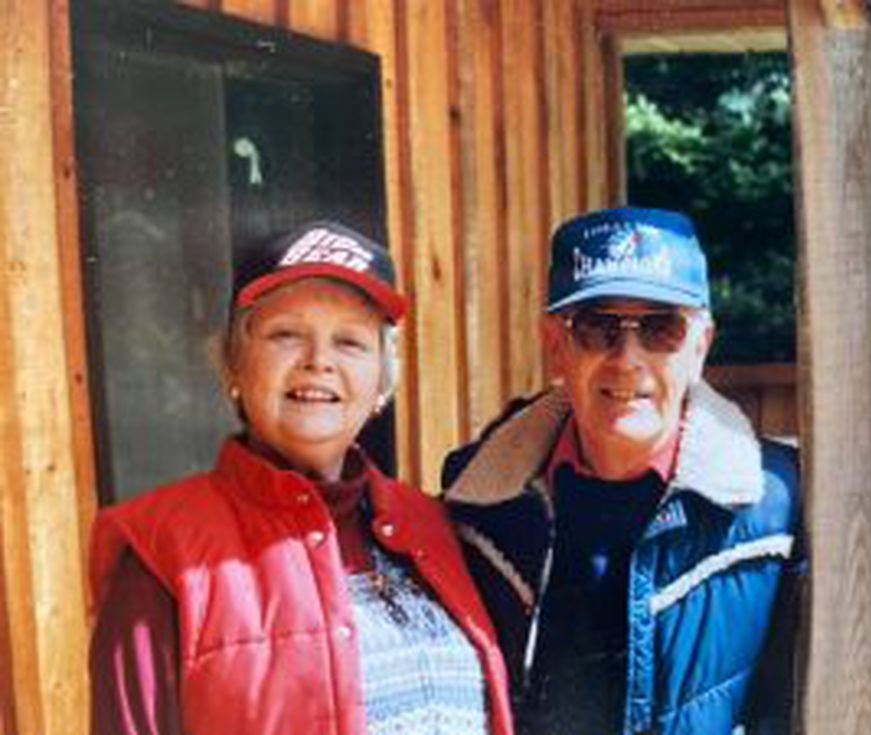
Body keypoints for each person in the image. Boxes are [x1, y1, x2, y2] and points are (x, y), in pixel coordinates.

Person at [89, 220, 513, 735]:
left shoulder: (435, 525)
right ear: (233, 364)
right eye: (286, 334)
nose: (319, 362)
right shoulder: (162, 552)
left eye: (350, 342)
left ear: (382, 379)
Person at [443, 207, 804, 735]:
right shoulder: (477, 502)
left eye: (661, 328)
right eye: (597, 327)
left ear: (699, 347)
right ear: (556, 346)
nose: (627, 359)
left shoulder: (775, 504)